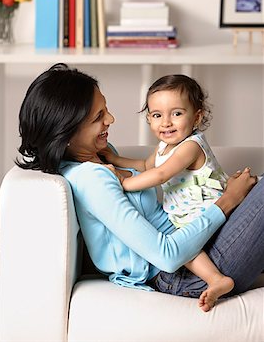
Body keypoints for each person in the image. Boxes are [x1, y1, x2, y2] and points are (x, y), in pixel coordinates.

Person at [16, 63, 263, 312]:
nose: (111, 119)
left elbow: (151, 168)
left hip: (200, 245)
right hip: (183, 274)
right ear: (67, 133)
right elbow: (167, 255)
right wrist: (229, 200)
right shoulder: (92, 180)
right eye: (98, 117)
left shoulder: (101, 154)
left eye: (106, 109)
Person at [100, 74, 240, 311]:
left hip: (205, 208)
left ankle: (217, 279)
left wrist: (122, 184)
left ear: (197, 116)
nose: (166, 122)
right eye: (157, 115)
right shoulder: (165, 145)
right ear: (149, 118)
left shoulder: (191, 146)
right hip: (186, 215)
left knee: (186, 249)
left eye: (176, 113)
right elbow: (147, 166)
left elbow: (160, 175)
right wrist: (116, 159)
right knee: (183, 245)